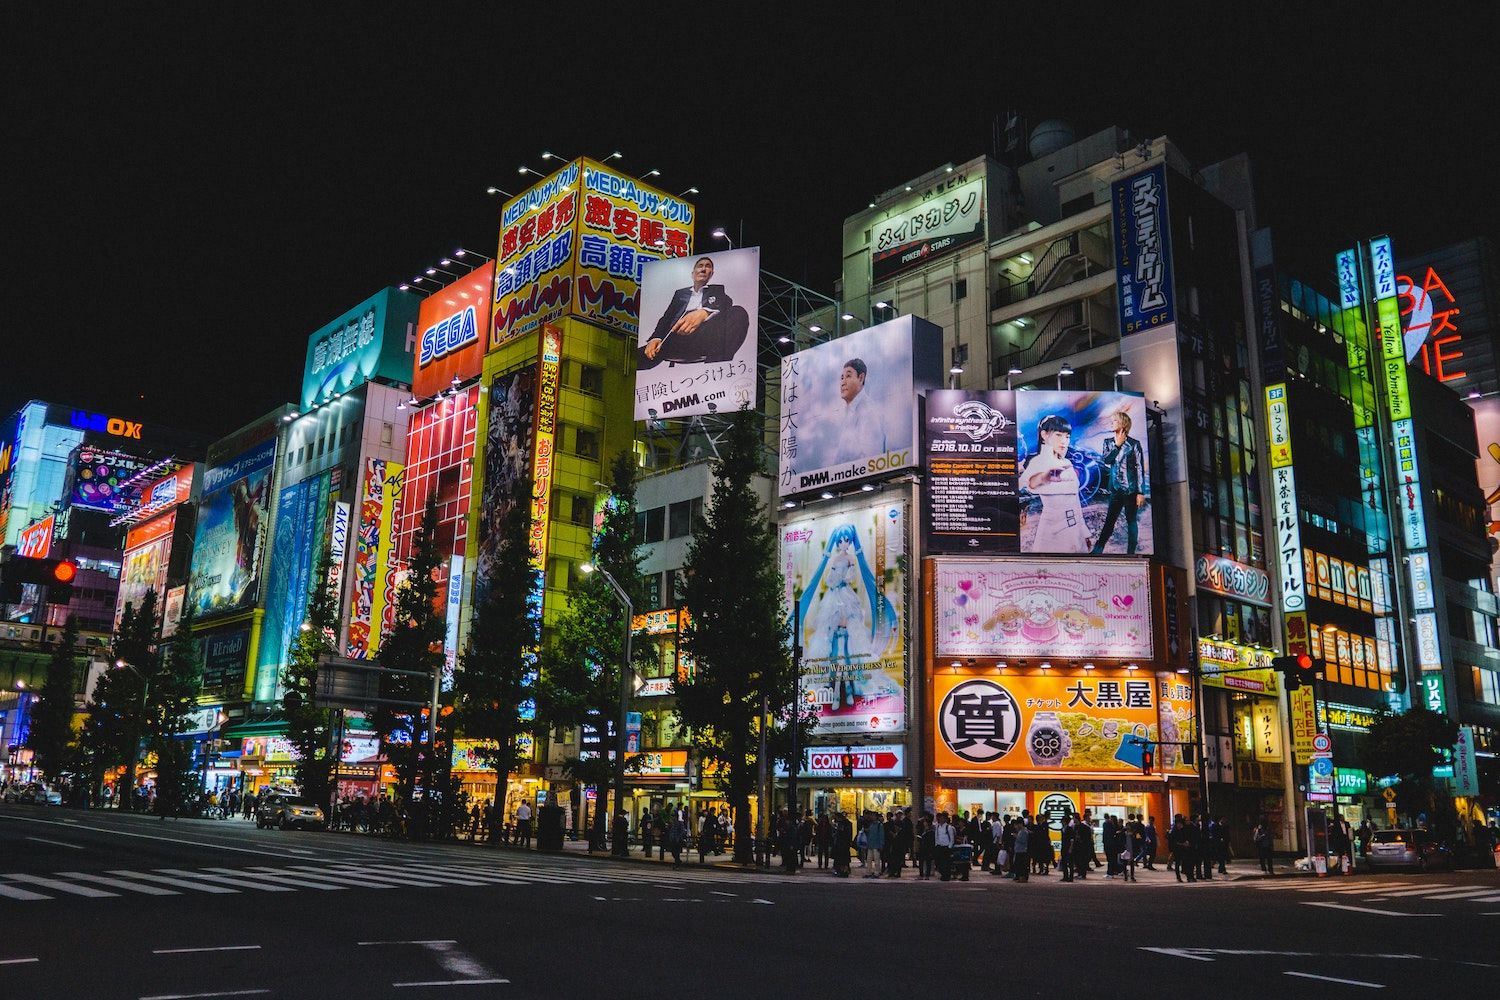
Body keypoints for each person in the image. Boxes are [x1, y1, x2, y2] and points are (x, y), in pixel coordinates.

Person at [637, 256, 751, 370]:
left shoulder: (717, 290)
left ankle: (716, 370)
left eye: (708, 266)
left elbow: (726, 302)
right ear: (693, 273)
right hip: (675, 338)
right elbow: (667, 317)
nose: (703, 269)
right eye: (700, 266)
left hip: (706, 338)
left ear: (711, 274)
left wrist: (704, 312)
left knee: (739, 312)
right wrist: (655, 338)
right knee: (635, 357)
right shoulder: (680, 293)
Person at [1022, 414, 1089, 552]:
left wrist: (1085, 533)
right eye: (1058, 435)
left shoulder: (1067, 463)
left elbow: (1075, 502)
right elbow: (1029, 483)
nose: (1064, 441)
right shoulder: (1038, 462)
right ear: (1044, 435)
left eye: (1067, 436)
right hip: (1052, 532)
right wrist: (1043, 477)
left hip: (1075, 531)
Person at [1090, 409, 1147, 554]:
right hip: (1115, 489)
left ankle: (1131, 553)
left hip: (1131, 490)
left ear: (1123, 423)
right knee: (1110, 521)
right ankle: (1097, 550)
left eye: (1114, 420)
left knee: (1131, 521)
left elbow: (1139, 468)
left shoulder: (1134, 444)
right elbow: (1107, 460)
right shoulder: (1108, 443)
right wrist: (1117, 445)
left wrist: (1140, 492)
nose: (1111, 423)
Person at [833, 358, 889, 462]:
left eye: (848, 376)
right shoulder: (849, 412)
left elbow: (872, 460)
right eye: (842, 378)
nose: (843, 382)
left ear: (861, 378)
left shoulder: (868, 412)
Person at [933, 811, 956, 881]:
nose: (941, 819)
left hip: (946, 847)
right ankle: (943, 874)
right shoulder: (937, 827)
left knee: (946, 863)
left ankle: (946, 876)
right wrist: (936, 845)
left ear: (945, 819)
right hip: (939, 846)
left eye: (943, 818)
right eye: (940, 818)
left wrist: (949, 847)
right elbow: (936, 836)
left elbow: (952, 838)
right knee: (940, 863)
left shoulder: (949, 827)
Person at [832, 810, 853, 877]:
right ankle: (843, 870)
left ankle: (843, 870)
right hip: (843, 843)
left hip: (842, 843)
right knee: (843, 858)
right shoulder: (846, 823)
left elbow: (843, 834)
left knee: (842, 858)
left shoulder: (843, 824)